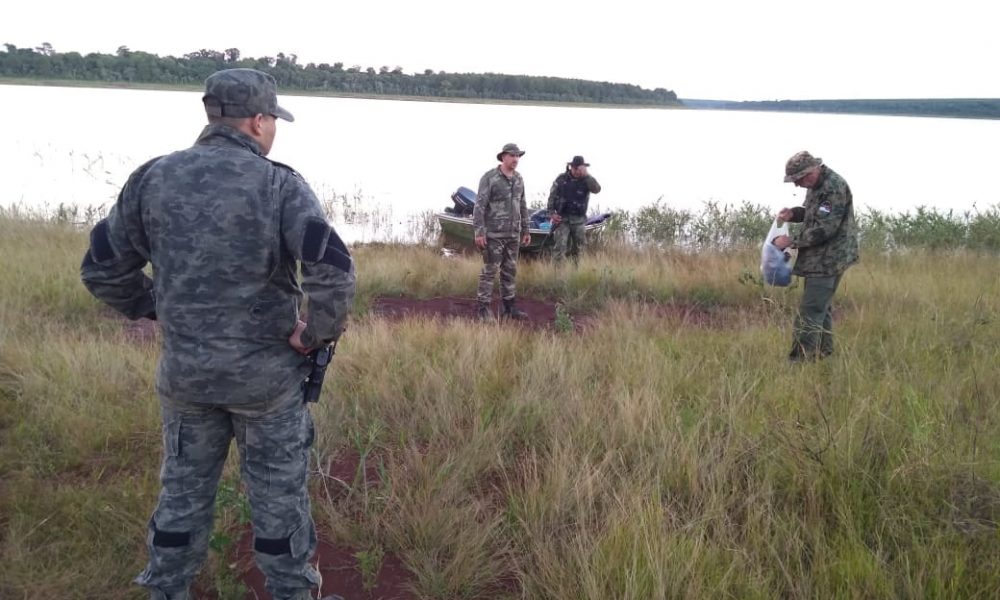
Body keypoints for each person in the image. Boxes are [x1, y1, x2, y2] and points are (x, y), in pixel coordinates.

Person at [80, 68, 355, 600]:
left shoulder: (152, 178)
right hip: (266, 384)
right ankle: (293, 592)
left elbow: (101, 269)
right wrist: (314, 336)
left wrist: (162, 308)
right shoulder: (279, 185)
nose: (273, 128)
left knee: (182, 490)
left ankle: (166, 589)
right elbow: (335, 272)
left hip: (186, 379)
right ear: (257, 121)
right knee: (278, 498)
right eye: (273, 118)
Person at [772, 150, 858, 361]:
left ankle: (799, 361)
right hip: (820, 258)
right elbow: (812, 213)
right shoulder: (816, 184)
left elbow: (825, 229)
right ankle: (824, 354)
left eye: (798, 180)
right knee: (821, 307)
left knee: (810, 311)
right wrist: (793, 214)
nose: (796, 185)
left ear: (810, 172)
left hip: (828, 260)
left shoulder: (833, 188)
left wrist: (791, 241)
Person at [473, 143, 532, 321]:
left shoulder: (519, 179)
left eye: (518, 156)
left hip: (513, 235)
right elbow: (480, 206)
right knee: (490, 271)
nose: (516, 159)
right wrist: (479, 232)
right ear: (503, 157)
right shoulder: (490, 178)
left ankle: (509, 307)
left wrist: (526, 230)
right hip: (493, 235)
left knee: (510, 271)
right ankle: (483, 308)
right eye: (512, 156)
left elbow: (522, 204)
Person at [547, 155, 601, 264]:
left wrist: (587, 175)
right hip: (562, 219)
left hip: (579, 220)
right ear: (570, 167)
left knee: (579, 249)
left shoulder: (587, 180)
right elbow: (551, 197)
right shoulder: (561, 179)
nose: (577, 171)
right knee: (560, 248)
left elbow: (597, 189)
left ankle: (577, 274)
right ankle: (558, 276)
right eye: (575, 168)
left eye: (579, 168)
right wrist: (551, 213)